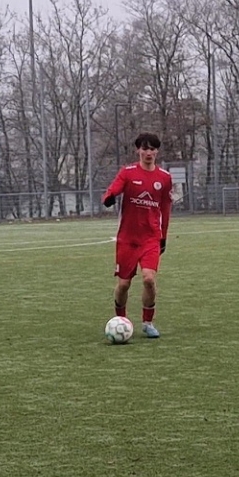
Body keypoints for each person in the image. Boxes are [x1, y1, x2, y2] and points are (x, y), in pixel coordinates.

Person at [104, 133, 175, 336]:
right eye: (145, 149)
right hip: (127, 239)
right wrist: (109, 197)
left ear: (157, 151)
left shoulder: (164, 178)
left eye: (152, 149)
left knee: (148, 279)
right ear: (138, 150)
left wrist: (163, 236)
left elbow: (165, 209)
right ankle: (121, 320)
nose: (148, 153)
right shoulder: (127, 173)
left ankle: (147, 323)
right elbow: (114, 189)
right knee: (124, 284)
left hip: (151, 238)